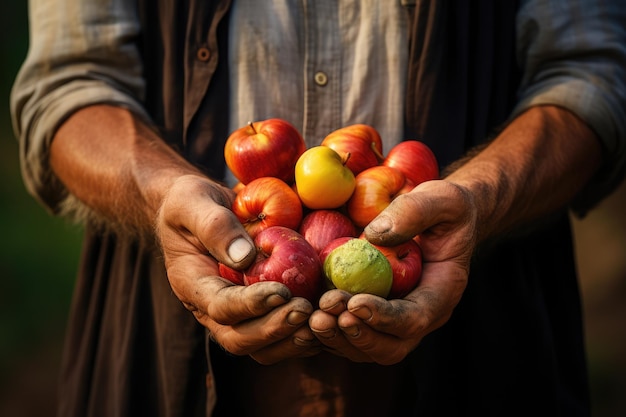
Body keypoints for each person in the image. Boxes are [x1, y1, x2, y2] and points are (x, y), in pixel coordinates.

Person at [10, 0, 626, 416]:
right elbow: (72, 82)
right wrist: (162, 193)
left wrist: (478, 197)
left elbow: (593, 74)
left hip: (481, 348)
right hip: (168, 356)